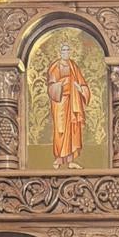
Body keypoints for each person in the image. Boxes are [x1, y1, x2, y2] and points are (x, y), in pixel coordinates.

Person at [47, 39, 91, 169]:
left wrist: (79, 88)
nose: (66, 52)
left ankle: (71, 160)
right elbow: (51, 86)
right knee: (60, 130)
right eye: (64, 50)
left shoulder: (73, 66)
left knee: (73, 130)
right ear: (60, 52)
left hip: (73, 102)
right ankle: (59, 159)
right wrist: (63, 83)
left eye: (68, 50)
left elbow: (82, 84)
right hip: (60, 102)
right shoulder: (56, 66)